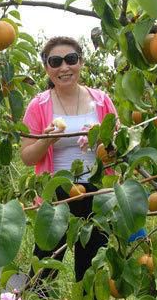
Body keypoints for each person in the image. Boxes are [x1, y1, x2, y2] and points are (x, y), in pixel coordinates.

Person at [20, 36, 118, 285]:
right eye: (55, 62)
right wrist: (47, 140)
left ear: (81, 62)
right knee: (44, 265)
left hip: (98, 194)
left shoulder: (101, 101)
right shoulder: (38, 106)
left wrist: (102, 139)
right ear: (47, 68)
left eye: (70, 59)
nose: (64, 67)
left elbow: (120, 149)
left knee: (90, 268)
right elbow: (27, 157)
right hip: (57, 195)